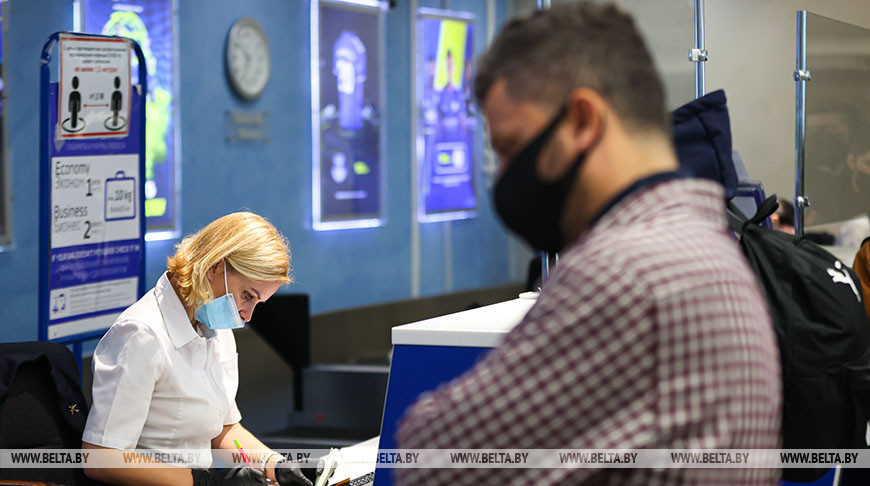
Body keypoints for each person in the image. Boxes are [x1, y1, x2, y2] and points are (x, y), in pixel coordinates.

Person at [396, 3, 781, 485]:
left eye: (514, 147)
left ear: (582, 120)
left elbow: (432, 458)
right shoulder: (710, 246)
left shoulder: (628, 270)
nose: (508, 177)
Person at [82, 212, 321, 486]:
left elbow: (224, 429)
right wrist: (203, 483)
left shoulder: (216, 327)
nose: (247, 316)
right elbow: (102, 458)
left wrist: (274, 465)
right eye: (247, 296)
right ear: (215, 266)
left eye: (258, 303)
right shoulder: (141, 335)